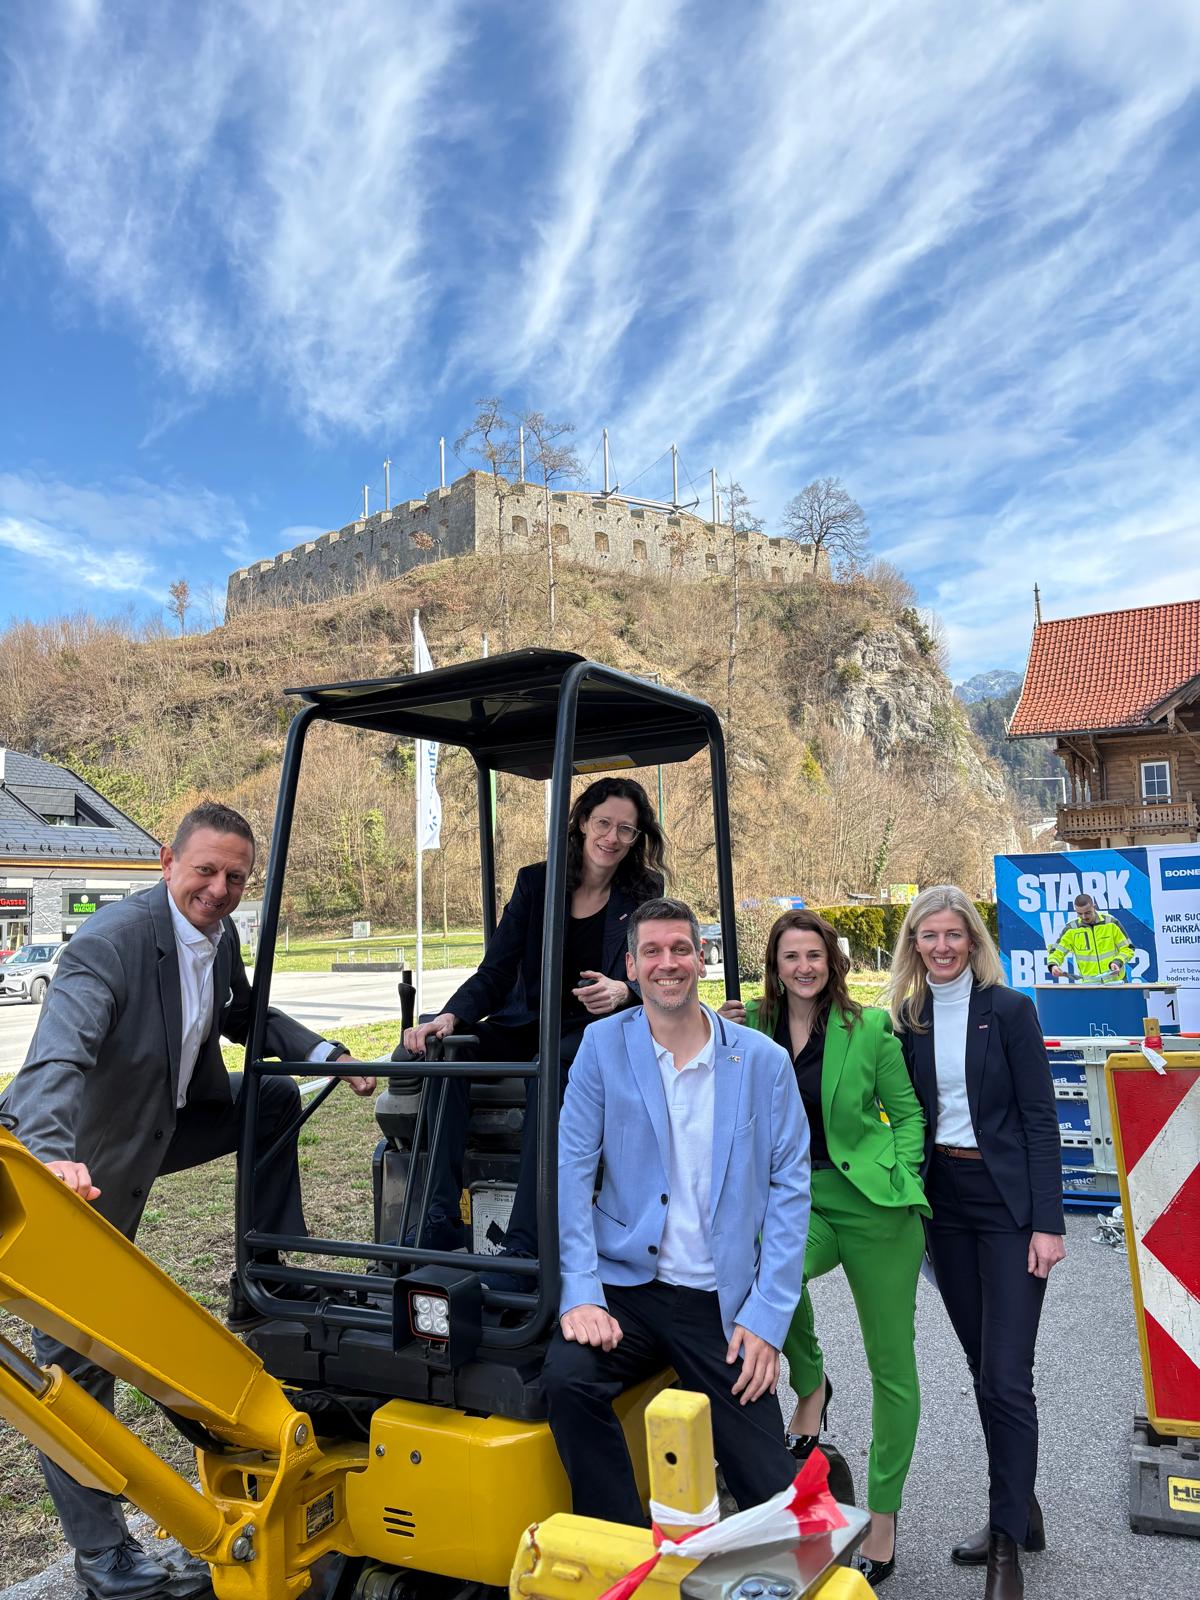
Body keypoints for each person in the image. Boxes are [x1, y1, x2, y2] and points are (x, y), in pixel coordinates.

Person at [0, 800, 375, 1600]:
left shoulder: (220, 934)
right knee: (77, 1365)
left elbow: (241, 1013)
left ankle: (266, 1270)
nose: (219, 887)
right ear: (167, 860)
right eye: (205, 869)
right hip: (86, 1167)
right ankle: (106, 1562)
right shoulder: (109, 945)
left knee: (270, 1100)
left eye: (236, 876)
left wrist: (324, 1053)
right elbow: (56, 1060)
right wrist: (55, 1156)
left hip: (169, 1122)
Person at [541, 896, 810, 1526]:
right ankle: (626, 1551)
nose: (669, 963)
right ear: (630, 968)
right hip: (628, 1289)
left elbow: (791, 1190)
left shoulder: (760, 1062)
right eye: (653, 952)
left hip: (718, 1300)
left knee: (773, 1497)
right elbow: (572, 1172)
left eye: (681, 949)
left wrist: (767, 1319)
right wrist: (581, 1292)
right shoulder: (602, 1047)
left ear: (702, 959)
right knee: (567, 1381)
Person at [721, 909, 927, 1586]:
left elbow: (907, 1114)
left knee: (892, 1363)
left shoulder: (868, 1028)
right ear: (774, 966)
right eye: (790, 957)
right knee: (756, 1268)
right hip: (797, 1201)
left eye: (814, 956)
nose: (803, 967)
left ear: (830, 961)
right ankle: (812, 1385)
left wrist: (902, 1173)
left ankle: (884, 1520)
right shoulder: (751, 1025)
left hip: (873, 1206)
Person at [884, 885, 1066, 1600]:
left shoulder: (1012, 1011)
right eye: (928, 936)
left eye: (953, 934)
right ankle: (1020, 1508)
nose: (942, 947)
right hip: (945, 1206)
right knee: (978, 1365)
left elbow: (1041, 1122)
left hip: (1010, 1208)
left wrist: (1049, 1224)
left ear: (973, 940)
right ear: (914, 945)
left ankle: (1004, 1550)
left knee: (1006, 1376)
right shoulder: (906, 1020)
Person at [401, 777, 665, 1262]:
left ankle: (524, 1242)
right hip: (528, 1022)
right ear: (583, 822)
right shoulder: (537, 883)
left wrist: (624, 991)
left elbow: (654, 968)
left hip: (592, 1034)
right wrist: (451, 1015)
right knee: (450, 1050)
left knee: (555, 1063)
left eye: (626, 830)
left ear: (636, 838)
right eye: (603, 823)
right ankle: (438, 1219)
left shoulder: (643, 893)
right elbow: (497, 969)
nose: (612, 838)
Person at [1046, 892, 1134, 983]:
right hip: (1089, 986)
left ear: (1094, 907)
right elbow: (1056, 951)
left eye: (1087, 913)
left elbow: (1128, 948)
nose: (1084, 917)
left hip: (1116, 983)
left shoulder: (1111, 923)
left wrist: (1117, 962)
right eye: (1079, 913)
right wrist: (1053, 965)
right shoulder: (1071, 929)